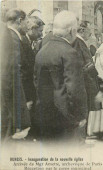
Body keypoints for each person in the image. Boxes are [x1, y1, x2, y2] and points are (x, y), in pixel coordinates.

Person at [34, 11, 87, 141]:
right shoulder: (69, 52)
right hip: (65, 118)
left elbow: (36, 82)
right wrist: (79, 116)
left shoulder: (42, 50)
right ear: (71, 31)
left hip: (44, 115)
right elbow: (74, 89)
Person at [1, 9, 31, 141]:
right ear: (20, 20)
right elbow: (12, 78)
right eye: (27, 22)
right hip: (10, 108)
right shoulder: (12, 39)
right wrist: (22, 116)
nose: (28, 26)